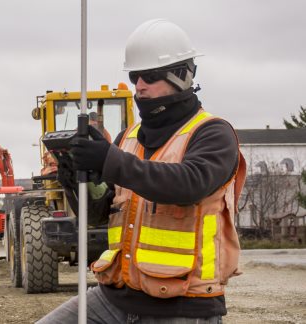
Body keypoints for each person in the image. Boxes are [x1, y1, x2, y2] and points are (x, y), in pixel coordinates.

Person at [37, 19, 246, 323]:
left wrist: (109, 160)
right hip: (116, 296)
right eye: (135, 76)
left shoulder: (212, 134)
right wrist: (79, 180)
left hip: (183, 303)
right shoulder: (128, 138)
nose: (139, 86)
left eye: (149, 76)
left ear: (182, 75)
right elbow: (98, 214)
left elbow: (187, 185)